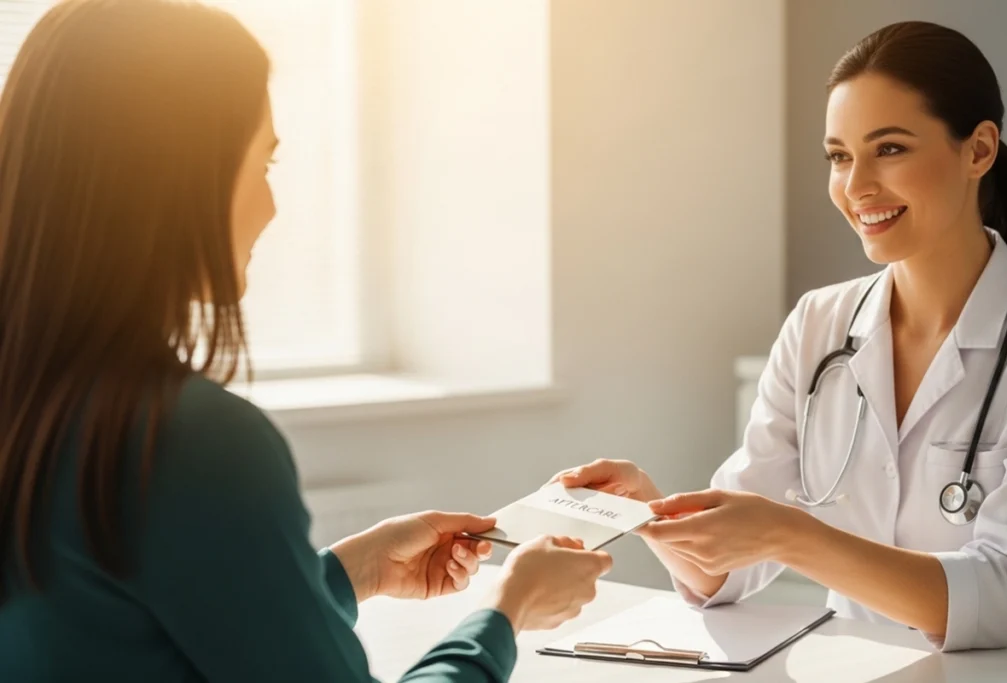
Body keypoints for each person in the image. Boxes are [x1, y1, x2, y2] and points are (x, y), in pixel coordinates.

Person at [0, 1, 612, 681]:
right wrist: (508, 610)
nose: (270, 207)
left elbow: (140, 629)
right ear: (178, 177)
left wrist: (354, 570)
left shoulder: (37, 402)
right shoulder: (190, 441)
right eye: (262, 164)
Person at [551, 20, 1007, 653]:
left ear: (979, 150)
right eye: (838, 156)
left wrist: (790, 535)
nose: (856, 187)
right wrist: (647, 510)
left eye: (889, 149)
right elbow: (726, 572)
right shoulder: (818, 326)